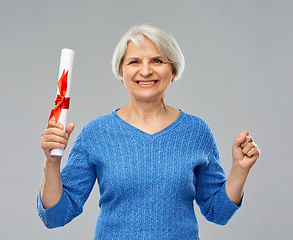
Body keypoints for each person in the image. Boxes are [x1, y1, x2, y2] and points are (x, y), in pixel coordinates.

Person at [37, 24, 260, 239]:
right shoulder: (96, 134)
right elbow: (55, 216)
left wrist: (239, 170)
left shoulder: (196, 132)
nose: (145, 71)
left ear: (172, 71)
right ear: (121, 73)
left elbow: (218, 212)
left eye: (157, 60)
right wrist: (51, 162)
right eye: (134, 61)